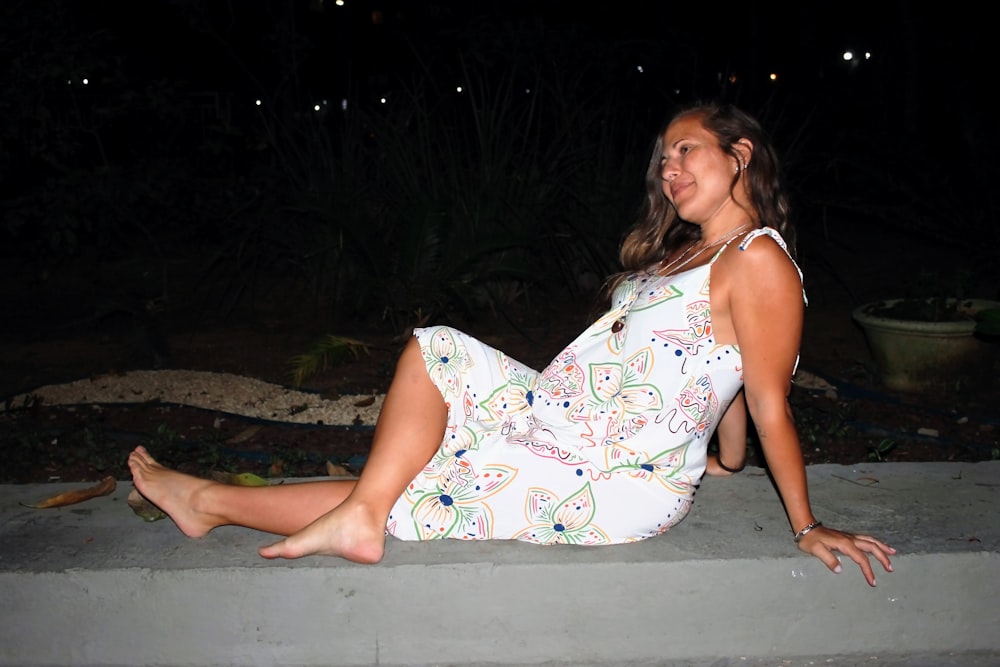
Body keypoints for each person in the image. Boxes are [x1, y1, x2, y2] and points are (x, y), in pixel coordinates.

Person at [128, 102, 895, 586]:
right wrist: (727, 462)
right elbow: (721, 372)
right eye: (663, 157)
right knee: (435, 355)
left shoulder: (755, 256)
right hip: (566, 418)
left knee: (421, 483)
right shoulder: (687, 258)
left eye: (686, 149)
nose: (668, 167)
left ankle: (208, 502)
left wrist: (805, 522)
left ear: (741, 155)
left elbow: (765, 395)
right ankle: (327, 509)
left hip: (615, 468)